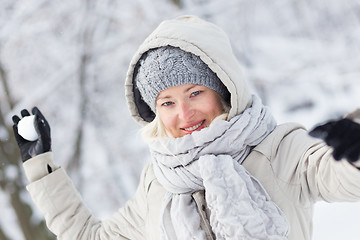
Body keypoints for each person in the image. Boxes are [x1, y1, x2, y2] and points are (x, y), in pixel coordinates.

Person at [11, 15, 360, 240]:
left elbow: (343, 177)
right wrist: (42, 170)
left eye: (195, 93)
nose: (185, 113)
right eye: (167, 103)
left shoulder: (279, 149)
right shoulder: (159, 182)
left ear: (224, 91)